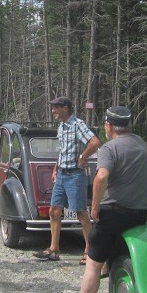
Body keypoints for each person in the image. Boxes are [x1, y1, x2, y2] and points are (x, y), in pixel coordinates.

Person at [55, 105, 147, 293]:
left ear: (109, 126)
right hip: (138, 214)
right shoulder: (140, 143)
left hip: (114, 213)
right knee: (122, 259)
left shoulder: (110, 149)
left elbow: (102, 176)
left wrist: (95, 207)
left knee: (92, 263)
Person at [34, 96, 101, 263]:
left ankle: (89, 251)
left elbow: (95, 142)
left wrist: (84, 156)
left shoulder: (78, 124)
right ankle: (53, 249)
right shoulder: (61, 127)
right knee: (54, 211)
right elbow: (63, 150)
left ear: (65, 108)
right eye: (53, 107)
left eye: (56, 107)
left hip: (75, 175)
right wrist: (56, 168)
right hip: (62, 174)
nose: (53, 111)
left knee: (81, 213)